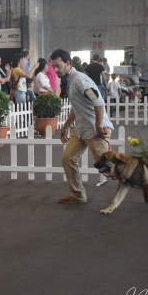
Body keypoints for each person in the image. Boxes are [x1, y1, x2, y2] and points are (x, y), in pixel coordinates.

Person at [50, 49, 113, 204]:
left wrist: (99, 126)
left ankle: (142, 183)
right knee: (68, 158)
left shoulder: (80, 80)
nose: (56, 70)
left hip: (96, 130)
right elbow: (76, 107)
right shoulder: (70, 80)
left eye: (58, 66)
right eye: (54, 67)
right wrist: (65, 126)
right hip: (82, 130)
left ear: (68, 63)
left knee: (112, 168)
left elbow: (98, 102)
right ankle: (78, 195)